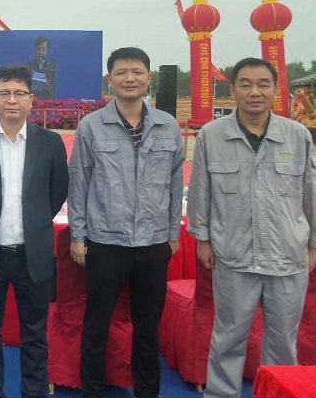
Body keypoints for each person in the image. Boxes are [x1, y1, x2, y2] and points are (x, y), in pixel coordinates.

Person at [187, 57, 316, 398]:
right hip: (233, 255)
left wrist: (313, 244)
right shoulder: (212, 135)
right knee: (228, 337)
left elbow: (311, 192)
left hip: (287, 257)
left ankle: (279, 392)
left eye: (263, 84)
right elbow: (200, 190)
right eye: (245, 84)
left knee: (283, 342)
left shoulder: (297, 135)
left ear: (275, 90)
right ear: (232, 90)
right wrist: (202, 238)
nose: (254, 92)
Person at [67, 47, 184, 398]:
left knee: (147, 328)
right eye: (121, 72)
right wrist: (78, 235)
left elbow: (175, 184)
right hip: (105, 242)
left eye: (137, 72)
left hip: (153, 243)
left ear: (149, 78)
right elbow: (79, 183)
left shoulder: (167, 125)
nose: (129, 78)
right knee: (97, 324)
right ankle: (92, 391)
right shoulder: (91, 125)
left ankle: (147, 392)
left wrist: (172, 233)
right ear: (110, 79)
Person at [0, 64, 69, 398]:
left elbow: (58, 192)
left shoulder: (50, 142)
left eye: (19, 93)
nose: (11, 100)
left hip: (32, 253)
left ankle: (33, 391)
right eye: (4, 93)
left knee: (34, 333)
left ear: (31, 100)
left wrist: (35, 221)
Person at [25, 36, 57, 100]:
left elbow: (53, 89)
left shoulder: (51, 69)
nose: (40, 52)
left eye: (43, 49)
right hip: (31, 102)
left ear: (47, 51)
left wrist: (47, 85)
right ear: (35, 50)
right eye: (38, 49)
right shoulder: (27, 67)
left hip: (45, 103)